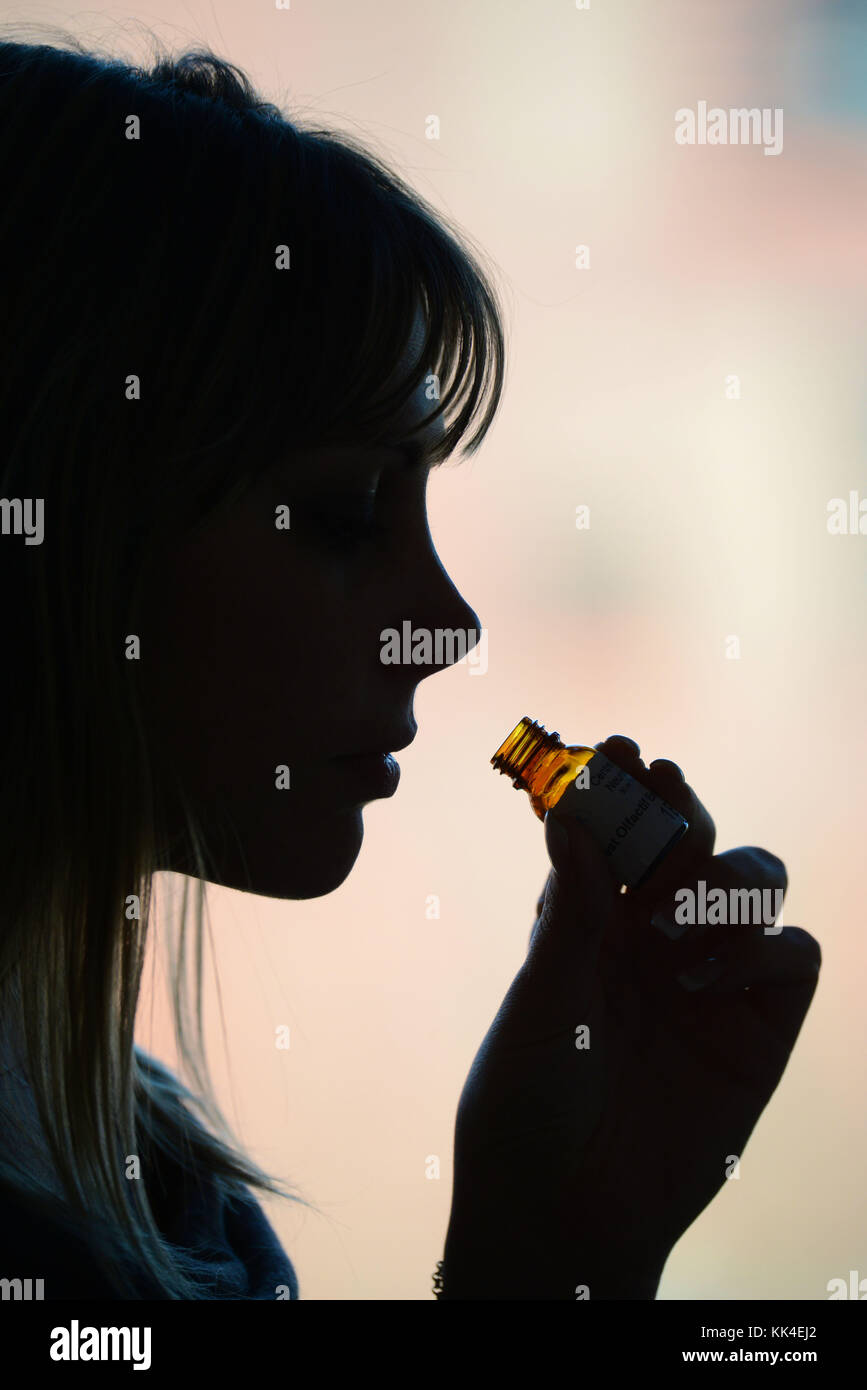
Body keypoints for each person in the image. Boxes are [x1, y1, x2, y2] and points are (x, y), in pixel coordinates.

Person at [0, 28, 820, 1301]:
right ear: (53, 524)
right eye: (339, 516)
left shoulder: (150, 1188)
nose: (444, 625)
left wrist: (546, 1256)